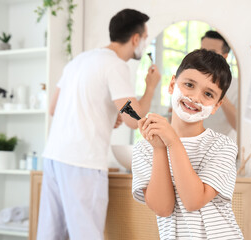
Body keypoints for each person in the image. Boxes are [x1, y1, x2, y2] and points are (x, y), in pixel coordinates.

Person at [37, 9, 161, 240]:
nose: (144, 43)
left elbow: (54, 108)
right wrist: (151, 87)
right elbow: (133, 118)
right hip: (82, 163)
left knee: (50, 234)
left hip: (54, 158)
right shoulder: (115, 66)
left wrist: (104, 114)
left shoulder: (79, 61)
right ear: (136, 38)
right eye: (145, 38)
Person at [132, 49, 243, 239]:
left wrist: (173, 142)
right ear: (172, 84)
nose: (195, 97)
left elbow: (193, 201)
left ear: (216, 105)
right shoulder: (144, 149)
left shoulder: (223, 146)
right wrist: (159, 148)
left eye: (208, 94)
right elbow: (163, 208)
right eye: (189, 85)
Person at [201, 30, 237, 138]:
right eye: (203, 51)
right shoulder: (188, 81)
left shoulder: (237, 86)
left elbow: (239, 126)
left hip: (220, 150)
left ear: (225, 56)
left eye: (212, 52)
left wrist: (218, 90)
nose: (205, 57)